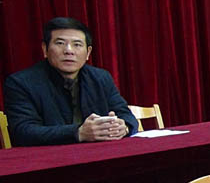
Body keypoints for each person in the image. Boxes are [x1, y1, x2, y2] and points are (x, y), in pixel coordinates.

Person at [2, 17, 137, 146]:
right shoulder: (21, 83)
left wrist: (123, 127)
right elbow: (23, 131)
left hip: (99, 154)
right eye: (60, 43)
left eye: (77, 44)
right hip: (49, 157)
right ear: (45, 49)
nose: (69, 50)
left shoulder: (101, 77)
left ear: (88, 52)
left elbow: (126, 115)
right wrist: (78, 133)